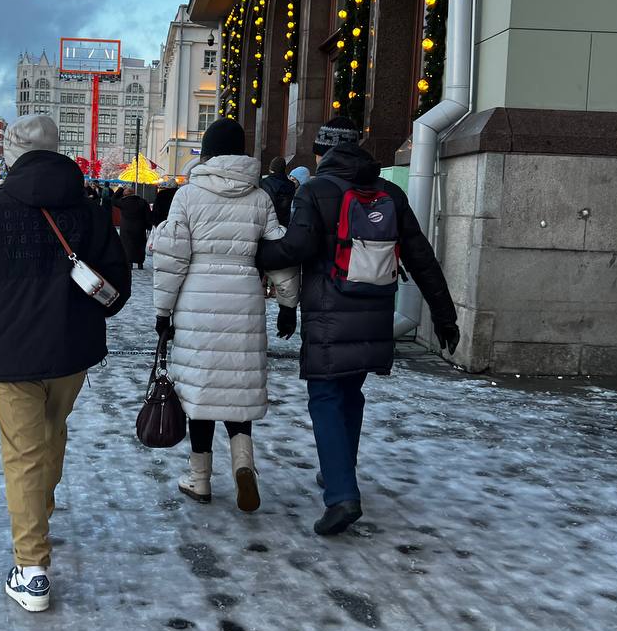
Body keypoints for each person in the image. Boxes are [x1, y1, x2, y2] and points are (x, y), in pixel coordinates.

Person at [0, 114, 131, 612]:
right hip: (72, 351)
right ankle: (38, 515)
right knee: (51, 434)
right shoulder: (89, 211)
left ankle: (31, 570)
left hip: (12, 354)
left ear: (12, 155)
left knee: (23, 452)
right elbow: (117, 286)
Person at [256, 116, 459, 535]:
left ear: (321, 153)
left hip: (329, 313)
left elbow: (297, 247)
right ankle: (338, 472)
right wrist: (445, 315)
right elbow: (421, 257)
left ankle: (342, 496)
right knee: (350, 393)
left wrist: (254, 251)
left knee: (325, 396)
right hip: (375, 311)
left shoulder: (315, 190)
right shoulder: (389, 193)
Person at [151, 118, 299, 512]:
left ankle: (199, 479)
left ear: (208, 152)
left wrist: (163, 311)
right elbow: (279, 254)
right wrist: (288, 305)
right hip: (245, 299)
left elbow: (172, 259)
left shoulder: (188, 196)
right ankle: (243, 464)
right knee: (237, 388)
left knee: (200, 393)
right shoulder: (260, 198)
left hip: (196, 301)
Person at [116, 185, 153, 270]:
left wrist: (120, 189)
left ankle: (130, 263)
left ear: (125, 195)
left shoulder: (123, 202)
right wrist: (149, 226)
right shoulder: (143, 201)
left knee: (127, 245)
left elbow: (113, 199)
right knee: (140, 245)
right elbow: (148, 215)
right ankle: (140, 263)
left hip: (126, 228)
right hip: (140, 227)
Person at [260, 156, 297, 226]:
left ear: (271, 169)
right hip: (284, 223)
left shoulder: (264, 183)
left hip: (267, 221)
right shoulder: (291, 185)